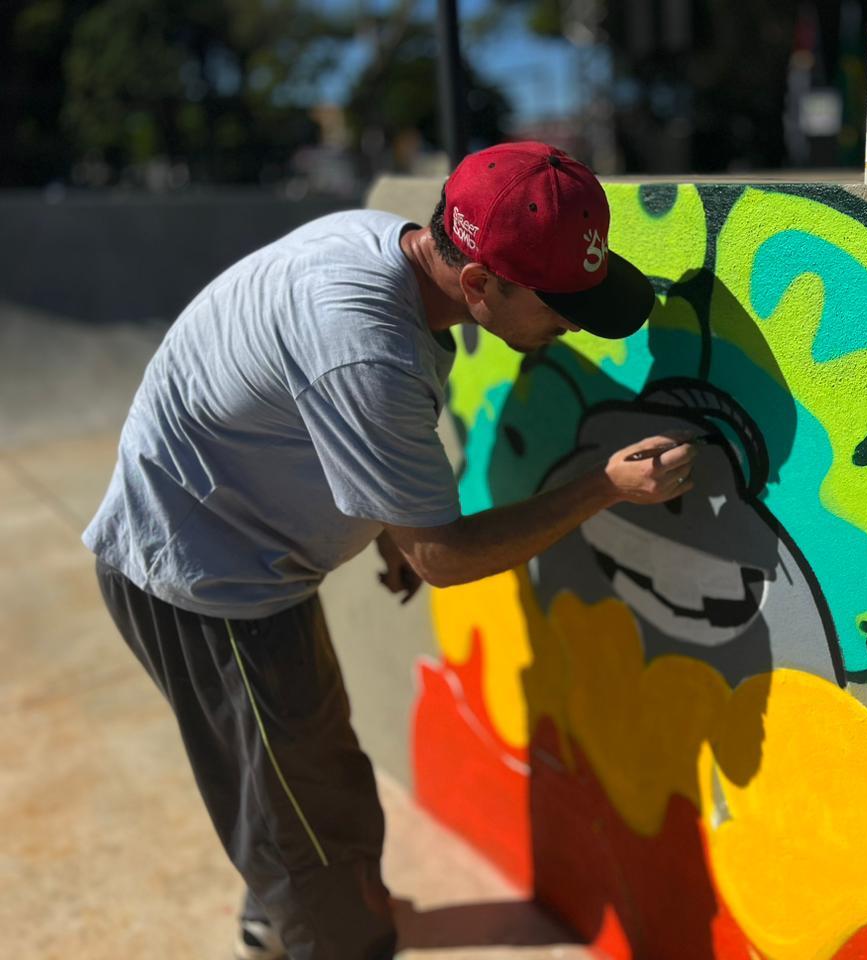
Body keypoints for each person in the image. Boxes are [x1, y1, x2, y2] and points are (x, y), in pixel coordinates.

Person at [83, 141, 698, 960]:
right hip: (209, 583)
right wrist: (604, 487)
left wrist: (388, 518)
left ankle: (294, 911)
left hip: (233, 546)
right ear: (478, 284)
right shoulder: (366, 343)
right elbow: (442, 558)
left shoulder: (382, 244)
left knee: (306, 778)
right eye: (559, 309)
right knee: (315, 830)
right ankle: (320, 933)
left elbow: (334, 419)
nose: (571, 327)